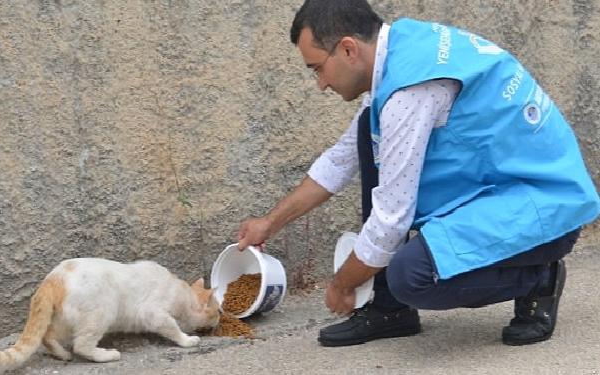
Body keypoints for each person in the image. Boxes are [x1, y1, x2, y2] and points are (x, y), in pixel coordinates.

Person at [236, 0, 600, 347]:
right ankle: (390, 312)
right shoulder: (399, 53)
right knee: (367, 132)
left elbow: (391, 222)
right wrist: (270, 224)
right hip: (500, 188)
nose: (321, 84)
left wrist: (343, 284)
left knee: (411, 276)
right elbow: (340, 160)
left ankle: (539, 278)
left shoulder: (409, 92)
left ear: (348, 50)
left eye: (317, 68)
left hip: (546, 211)